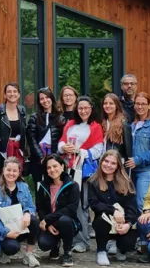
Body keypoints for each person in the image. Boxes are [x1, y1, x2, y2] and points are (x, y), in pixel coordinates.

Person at [57, 96, 104, 253]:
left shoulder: (96, 126)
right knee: (71, 204)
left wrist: (80, 151)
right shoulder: (70, 124)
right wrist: (64, 148)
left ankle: (83, 241)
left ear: (91, 108)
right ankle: (72, 237)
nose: (83, 111)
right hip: (68, 168)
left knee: (82, 206)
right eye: (80, 108)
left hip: (83, 170)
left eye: (86, 108)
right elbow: (61, 142)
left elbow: (98, 150)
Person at [87, 150, 138, 266]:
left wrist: (128, 224)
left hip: (123, 221)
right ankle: (101, 250)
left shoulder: (126, 182)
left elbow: (132, 206)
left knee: (128, 244)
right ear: (101, 162)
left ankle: (120, 247)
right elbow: (94, 204)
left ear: (118, 166)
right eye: (106, 161)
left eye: (113, 163)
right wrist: (113, 211)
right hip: (104, 219)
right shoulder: (93, 182)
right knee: (101, 221)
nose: (108, 165)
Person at [0, 157, 40, 267]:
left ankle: (29, 253)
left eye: (14, 171)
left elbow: (31, 206)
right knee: (12, 248)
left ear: (18, 172)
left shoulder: (24, 187)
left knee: (34, 220)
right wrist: (5, 232)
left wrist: (27, 213)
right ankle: (4, 250)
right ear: (3, 170)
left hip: (21, 226)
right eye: (9, 170)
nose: (11, 173)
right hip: (4, 229)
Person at [36, 154, 80, 267]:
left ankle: (67, 252)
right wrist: (47, 223)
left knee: (64, 220)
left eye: (55, 166)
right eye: (48, 167)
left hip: (67, 223)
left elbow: (71, 209)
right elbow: (39, 207)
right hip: (50, 224)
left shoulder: (72, 185)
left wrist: (47, 219)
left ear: (62, 166)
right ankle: (55, 245)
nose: (52, 170)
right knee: (44, 244)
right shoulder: (43, 186)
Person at [127, 92, 150, 211]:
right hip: (131, 171)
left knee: (143, 204)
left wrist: (137, 160)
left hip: (146, 171)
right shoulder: (131, 125)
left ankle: (146, 229)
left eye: (143, 104)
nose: (140, 107)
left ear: (149, 105)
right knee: (131, 204)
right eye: (137, 103)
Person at [26, 87, 65, 185]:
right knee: (39, 186)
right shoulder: (34, 117)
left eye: (47, 97)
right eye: (41, 98)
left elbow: (62, 138)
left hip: (55, 156)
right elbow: (31, 138)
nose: (45, 101)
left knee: (55, 185)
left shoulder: (60, 118)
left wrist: (54, 157)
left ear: (51, 98)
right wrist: (41, 156)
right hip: (38, 158)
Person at [0, 83, 27, 177]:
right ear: (5, 95)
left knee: (18, 179)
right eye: (9, 91)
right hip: (3, 152)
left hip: (18, 151)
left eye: (15, 91)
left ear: (19, 94)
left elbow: (25, 133)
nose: (12, 94)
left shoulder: (22, 110)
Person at [101, 93, 131, 159]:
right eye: (105, 103)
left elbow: (128, 148)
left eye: (111, 103)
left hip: (117, 161)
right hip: (102, 160)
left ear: (116, 105)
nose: (107, 106)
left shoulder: (123, 124)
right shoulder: (102, 123)